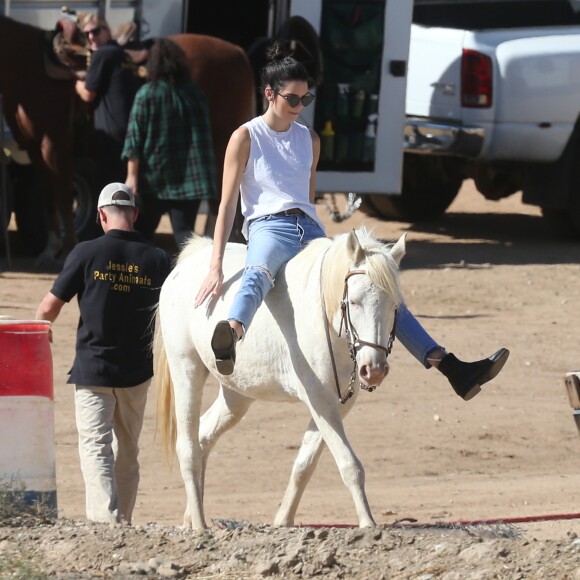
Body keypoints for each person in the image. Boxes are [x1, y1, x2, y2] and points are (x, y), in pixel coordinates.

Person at [194, 43, 509, 400]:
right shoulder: (245, 137)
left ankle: (452, 367)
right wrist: (216, 263)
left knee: (376, 283)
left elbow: (307, 197)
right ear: (269, 94)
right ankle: (232, 334)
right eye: (292, 100)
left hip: (310, 230)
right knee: (258, 272)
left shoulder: (309, 139)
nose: (299, 108)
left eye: (305, 100)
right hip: (268, 226)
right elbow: (227, 203)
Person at [35, 183, 172, 524]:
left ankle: (104, 523)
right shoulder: (157, 259)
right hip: (137, 373)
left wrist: (40, 331)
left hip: (93, 370)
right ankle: (121, 520)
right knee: (127, 452)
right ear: (135, 215)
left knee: (96, 446)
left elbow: (49, 307)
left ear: (99, 215)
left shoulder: (85, 253)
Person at [122, 38, 217, 249]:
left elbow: (134, 139)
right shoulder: (195, 93)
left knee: (141, 237)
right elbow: (204, 139)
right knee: (186, 242)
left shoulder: (146, 93)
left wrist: (132, 177)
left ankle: (142, 280)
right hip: (188, 184)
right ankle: (191, 280)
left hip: (152, 181)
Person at [75, 14, 143, 190]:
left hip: (110, 137)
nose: (91, 37)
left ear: (106, 31)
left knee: (107, 192)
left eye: (95, 31)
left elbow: (88, 94)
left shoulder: (103, 54)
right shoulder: (122, 55)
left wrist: (75, 82)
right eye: (86, 34)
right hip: (130, 135)